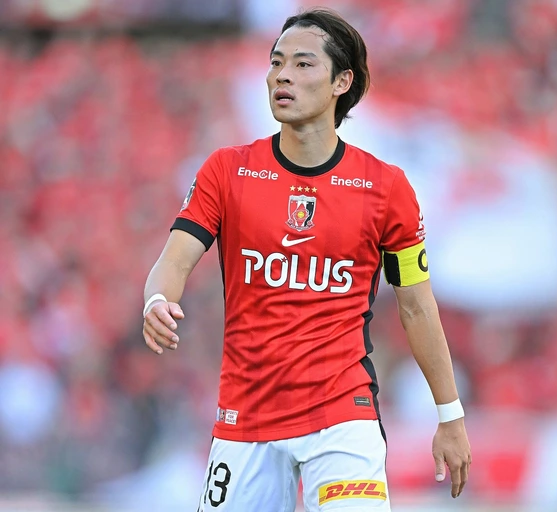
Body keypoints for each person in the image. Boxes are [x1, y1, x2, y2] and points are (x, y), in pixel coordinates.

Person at [142, 7, 471, 511]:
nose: (282, 75)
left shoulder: (386, 188)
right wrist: (157, 301)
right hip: (246, 418)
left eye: (302, 63)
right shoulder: (227, 171)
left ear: (343, 81)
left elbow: (416, 306)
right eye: (276, 62)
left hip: (342, 418)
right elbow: (175, 260)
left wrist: (450, 416)